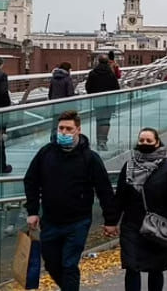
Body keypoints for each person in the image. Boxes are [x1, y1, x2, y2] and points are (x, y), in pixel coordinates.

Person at [24, 110, 119, 291]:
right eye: (61, 128)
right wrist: (33, 210)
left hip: (78, 221)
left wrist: (111, 220)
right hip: (50, 220)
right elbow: (31, 180)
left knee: (69, 264)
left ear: (78, 130)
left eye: (69, 129)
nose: (64, 133)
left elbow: (104, 189)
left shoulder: (90, 158)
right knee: (52, 264)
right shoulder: (46, 153)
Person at [115, 128, 167, 291]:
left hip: (158, 226)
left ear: (157, 142)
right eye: (142, 140)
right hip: (132, 225)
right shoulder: (129, 166)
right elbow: (120, 196)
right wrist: (111, 222)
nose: (145, 144)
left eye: (149, 141)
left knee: (156, 268)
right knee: (131, 266)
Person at [85, 54, 120, 151]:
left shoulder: (92, 73)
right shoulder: (111, 74)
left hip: (97, 100)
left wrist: (93, 94)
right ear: (107, 62)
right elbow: (116, 88)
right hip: (109, 101)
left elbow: (88, 87)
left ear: (98, 62)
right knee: (106, 121)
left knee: (99, 120)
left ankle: (98, 141)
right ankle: (103, 142)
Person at [48, 61, 76, 141]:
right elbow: (70, 93)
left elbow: (50, 93)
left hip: (55, 104)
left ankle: (53, 140)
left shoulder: (53, 78)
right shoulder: (67, 79)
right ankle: (63, 140)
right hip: (65, 106)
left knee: (55, 123)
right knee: (65, 124)